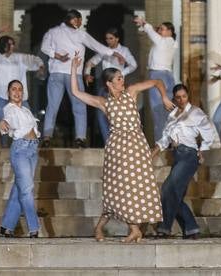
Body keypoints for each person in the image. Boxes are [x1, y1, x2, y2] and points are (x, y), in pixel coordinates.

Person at [70, 53, 173, 244]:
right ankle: (130, 229)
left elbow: (157, 81)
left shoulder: (132, 92)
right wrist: (74, 69)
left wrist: (165, 97)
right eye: (118, 78)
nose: (122, 80)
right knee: (117, 189)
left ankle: (108, 228)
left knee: (135, 187)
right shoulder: (104, 103)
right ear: (109, 83)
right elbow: (76, 92)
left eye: (122, 77)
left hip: (137, 145)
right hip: (117, 148)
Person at [152, 82, 218, 239]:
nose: (181, 100)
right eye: (178, 98)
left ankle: (164, 228)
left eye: (184, 96)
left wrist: (202, 149)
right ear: (174, 99)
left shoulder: (196, 113)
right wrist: (153, 151)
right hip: (177, 155)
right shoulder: (172, 115)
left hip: (189, 155)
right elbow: (165, 138)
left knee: (168, 189)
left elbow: (209, 133)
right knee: (175, 194)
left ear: (188, 96)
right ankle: (191, 229)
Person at [40, 9, 110, 147]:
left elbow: (44, 47)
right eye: (77, 20)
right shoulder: (80, 34)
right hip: (74, 75)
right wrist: (113, 52)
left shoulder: (53, 31)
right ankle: (80, 137)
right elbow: (97, 46)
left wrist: (56, 55)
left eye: (80, 21)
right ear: (71, 19)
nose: (79, 23)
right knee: (79, 106)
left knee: (52, 106)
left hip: (57, 73)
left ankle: (47, 136)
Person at [0, 29, 44, 148]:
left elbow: (34, 59)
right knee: (4, 122)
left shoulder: (19, 58)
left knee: (28, 119)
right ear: (4, 45)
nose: (12, 46)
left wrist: (40, 65)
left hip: (20, 97)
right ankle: (5, 147)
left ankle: (29, 144)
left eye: (13, 44)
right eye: (10, 44)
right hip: (2, 95)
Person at [0, 79, 41, 238]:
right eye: (13, 89)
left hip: (32, 149)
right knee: (27, 189)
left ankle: (6, 225)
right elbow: (7, 119)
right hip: (20, 150)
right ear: (8, 93)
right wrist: (2, 122)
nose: (17, 92)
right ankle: (33, 227)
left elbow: (33, 129)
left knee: (19, 189)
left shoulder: (26, 110)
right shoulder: (8, 109)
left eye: (19, 89)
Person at [84, 27, 137, 144]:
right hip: (104, 86)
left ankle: (121, 141)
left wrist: (120, 75)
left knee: (119, 113)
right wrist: (87, 74)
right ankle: (108, 142)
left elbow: (134, 65)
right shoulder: (105, 50)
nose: (108, 41)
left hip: (118, 87)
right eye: (107, 39)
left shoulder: (124, 50)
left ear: (117, 39)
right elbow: (90, 62)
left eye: (111, 38)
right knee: (101, 114)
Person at [133, 16, 178, 141]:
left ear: (170, 32)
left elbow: (153, 35)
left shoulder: (165, 41)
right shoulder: (171, 43)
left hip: (158, 76)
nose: (159, 31)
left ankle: (161, 144)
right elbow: (154, 35)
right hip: (168, 76)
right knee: (168, 112)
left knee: (158, 111)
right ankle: (171, 142)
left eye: (162, 29)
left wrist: (144, 23)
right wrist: (148, 26)